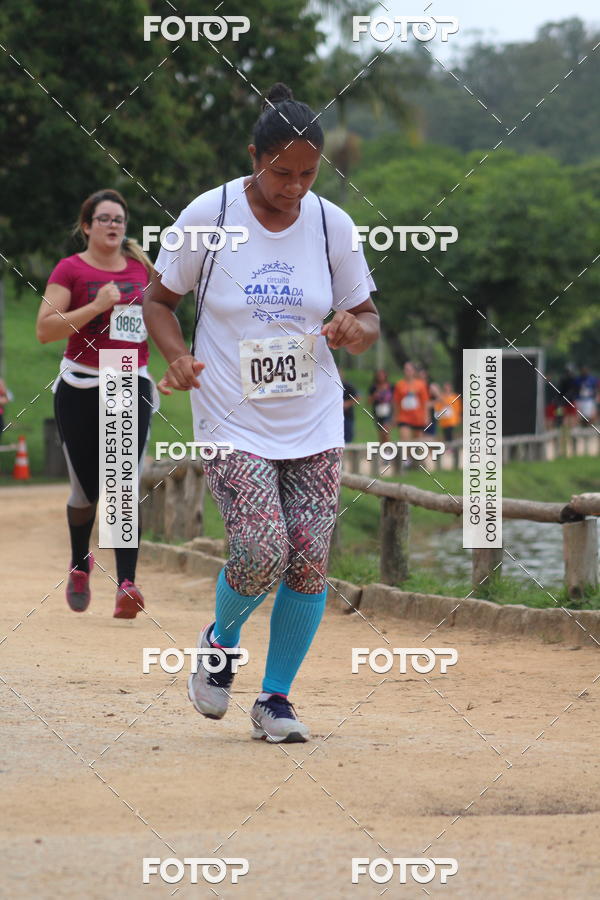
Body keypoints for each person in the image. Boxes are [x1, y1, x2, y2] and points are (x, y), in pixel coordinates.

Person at [144, 82, 379, 743]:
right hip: (231, 415)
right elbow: (157, 301)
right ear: (254, 158)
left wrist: (355, 331)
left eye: (308, 174)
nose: (294, 188)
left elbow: (367, 316)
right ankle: (220, 642)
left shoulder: (332, 224)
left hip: (313, 419)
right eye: (282, 174)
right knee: (260, 550)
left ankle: (275, 700)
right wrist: (177, 357)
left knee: (308, 559)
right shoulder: (209, 214)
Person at [36, 189, 156, 617]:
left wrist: (177, 363)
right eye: (104, 219)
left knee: (123, 485)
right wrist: (97, 305)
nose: (113, 225)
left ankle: (127, 584)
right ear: (87, 226)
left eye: (119, 219)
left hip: (127, 376)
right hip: (81, 383)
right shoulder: (70, 269)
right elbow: (45, 330)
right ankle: (79, 561)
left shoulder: (142, 269)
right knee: (86, 490)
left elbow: (158, 317)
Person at [393, 361, 429, 442]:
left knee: (417, 442)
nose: (408, 372)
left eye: (409, 370)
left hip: (418, 417)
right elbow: (396, 402)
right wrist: (395, 416)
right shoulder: (399, 385)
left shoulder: (421, 384)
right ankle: (406, 451)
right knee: (405, 441)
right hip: (404, 417)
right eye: (406, 369)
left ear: (414, 371)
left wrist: (427, 417)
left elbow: (425, 402)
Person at [368, 369, 393, 440]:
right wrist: (374, 396)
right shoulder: (373, 388)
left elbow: (394, 400)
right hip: (378, 412)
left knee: (386, 430)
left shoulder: (391, 387)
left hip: (388, 411)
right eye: (379, 375)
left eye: (382, 375)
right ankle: (382, 445)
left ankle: (387, 445)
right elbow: (368, 402)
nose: (380, 377)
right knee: (380, 432)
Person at [339, 369, 359, 443]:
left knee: (347, 438)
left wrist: (347, 404)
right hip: (334, 417)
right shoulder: (330, 387)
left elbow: (357, 398)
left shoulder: (348, 386)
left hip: (347, 416)